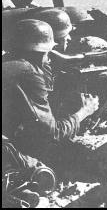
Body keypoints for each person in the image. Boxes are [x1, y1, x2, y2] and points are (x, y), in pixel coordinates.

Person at [2, 19, 99, 170]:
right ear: (43, 51)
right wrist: (85, 111)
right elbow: (52, 134)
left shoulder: (9, 63)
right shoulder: (28, 74)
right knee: (38, 171)